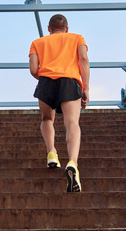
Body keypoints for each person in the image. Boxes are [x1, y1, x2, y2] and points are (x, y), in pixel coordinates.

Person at [29, 14, 90, 192]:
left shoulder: (37, 42)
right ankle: (72, 162)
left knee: (47, 119)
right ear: (67, 28)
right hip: (69, 82)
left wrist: (47, 76)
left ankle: (52, 153)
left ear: (49, 28)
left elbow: (33, 69)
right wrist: (85, 87)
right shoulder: (77, 38)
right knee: (72, 123)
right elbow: (84, 61)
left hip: (46, 81)